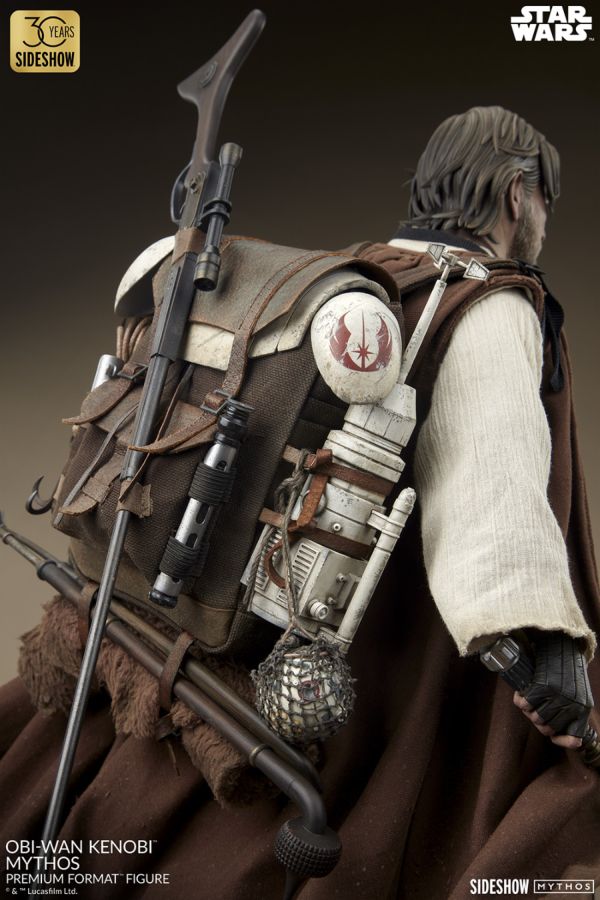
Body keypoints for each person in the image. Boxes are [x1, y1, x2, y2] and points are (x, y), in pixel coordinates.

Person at [0, 106, 598, 900]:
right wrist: (545, 645)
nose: (545, 223)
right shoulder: (488, 306)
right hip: (383, 656)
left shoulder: (361, 271)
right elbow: (491, 490)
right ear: (518, 195)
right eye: (545, 202)